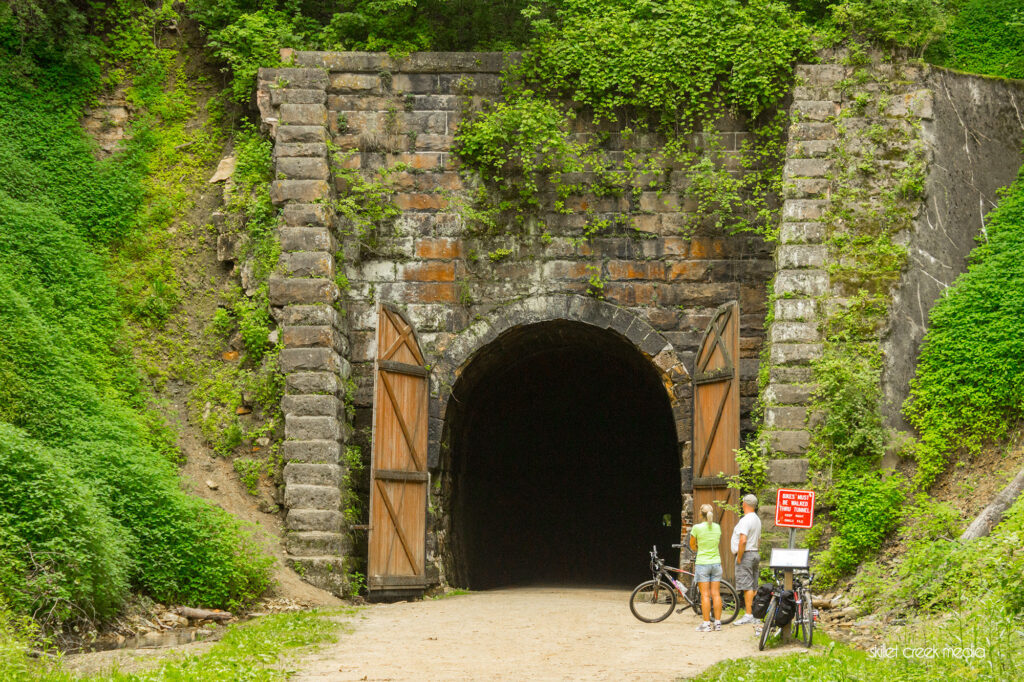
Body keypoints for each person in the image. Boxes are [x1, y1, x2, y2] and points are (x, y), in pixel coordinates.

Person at [689, 503, 723, 632]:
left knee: (705, 595)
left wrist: (699, 548)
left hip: (703, 562)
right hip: (716, 563)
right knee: (716, 594)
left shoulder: (697, 528)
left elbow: (692, 545)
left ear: (700, 513)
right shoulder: (717, 527)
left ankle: (706, 624)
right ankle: (718, 623)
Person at [731, 493, 762, 626]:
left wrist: (739, 556)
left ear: (744, 504)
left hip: (746, 554)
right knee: (753, 585)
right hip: (754, 552)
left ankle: (748, 614)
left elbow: (743, 540)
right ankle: (754, 614)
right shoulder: (757, 519)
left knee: (746, 586)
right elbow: (758, 540)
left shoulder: (746, 520)